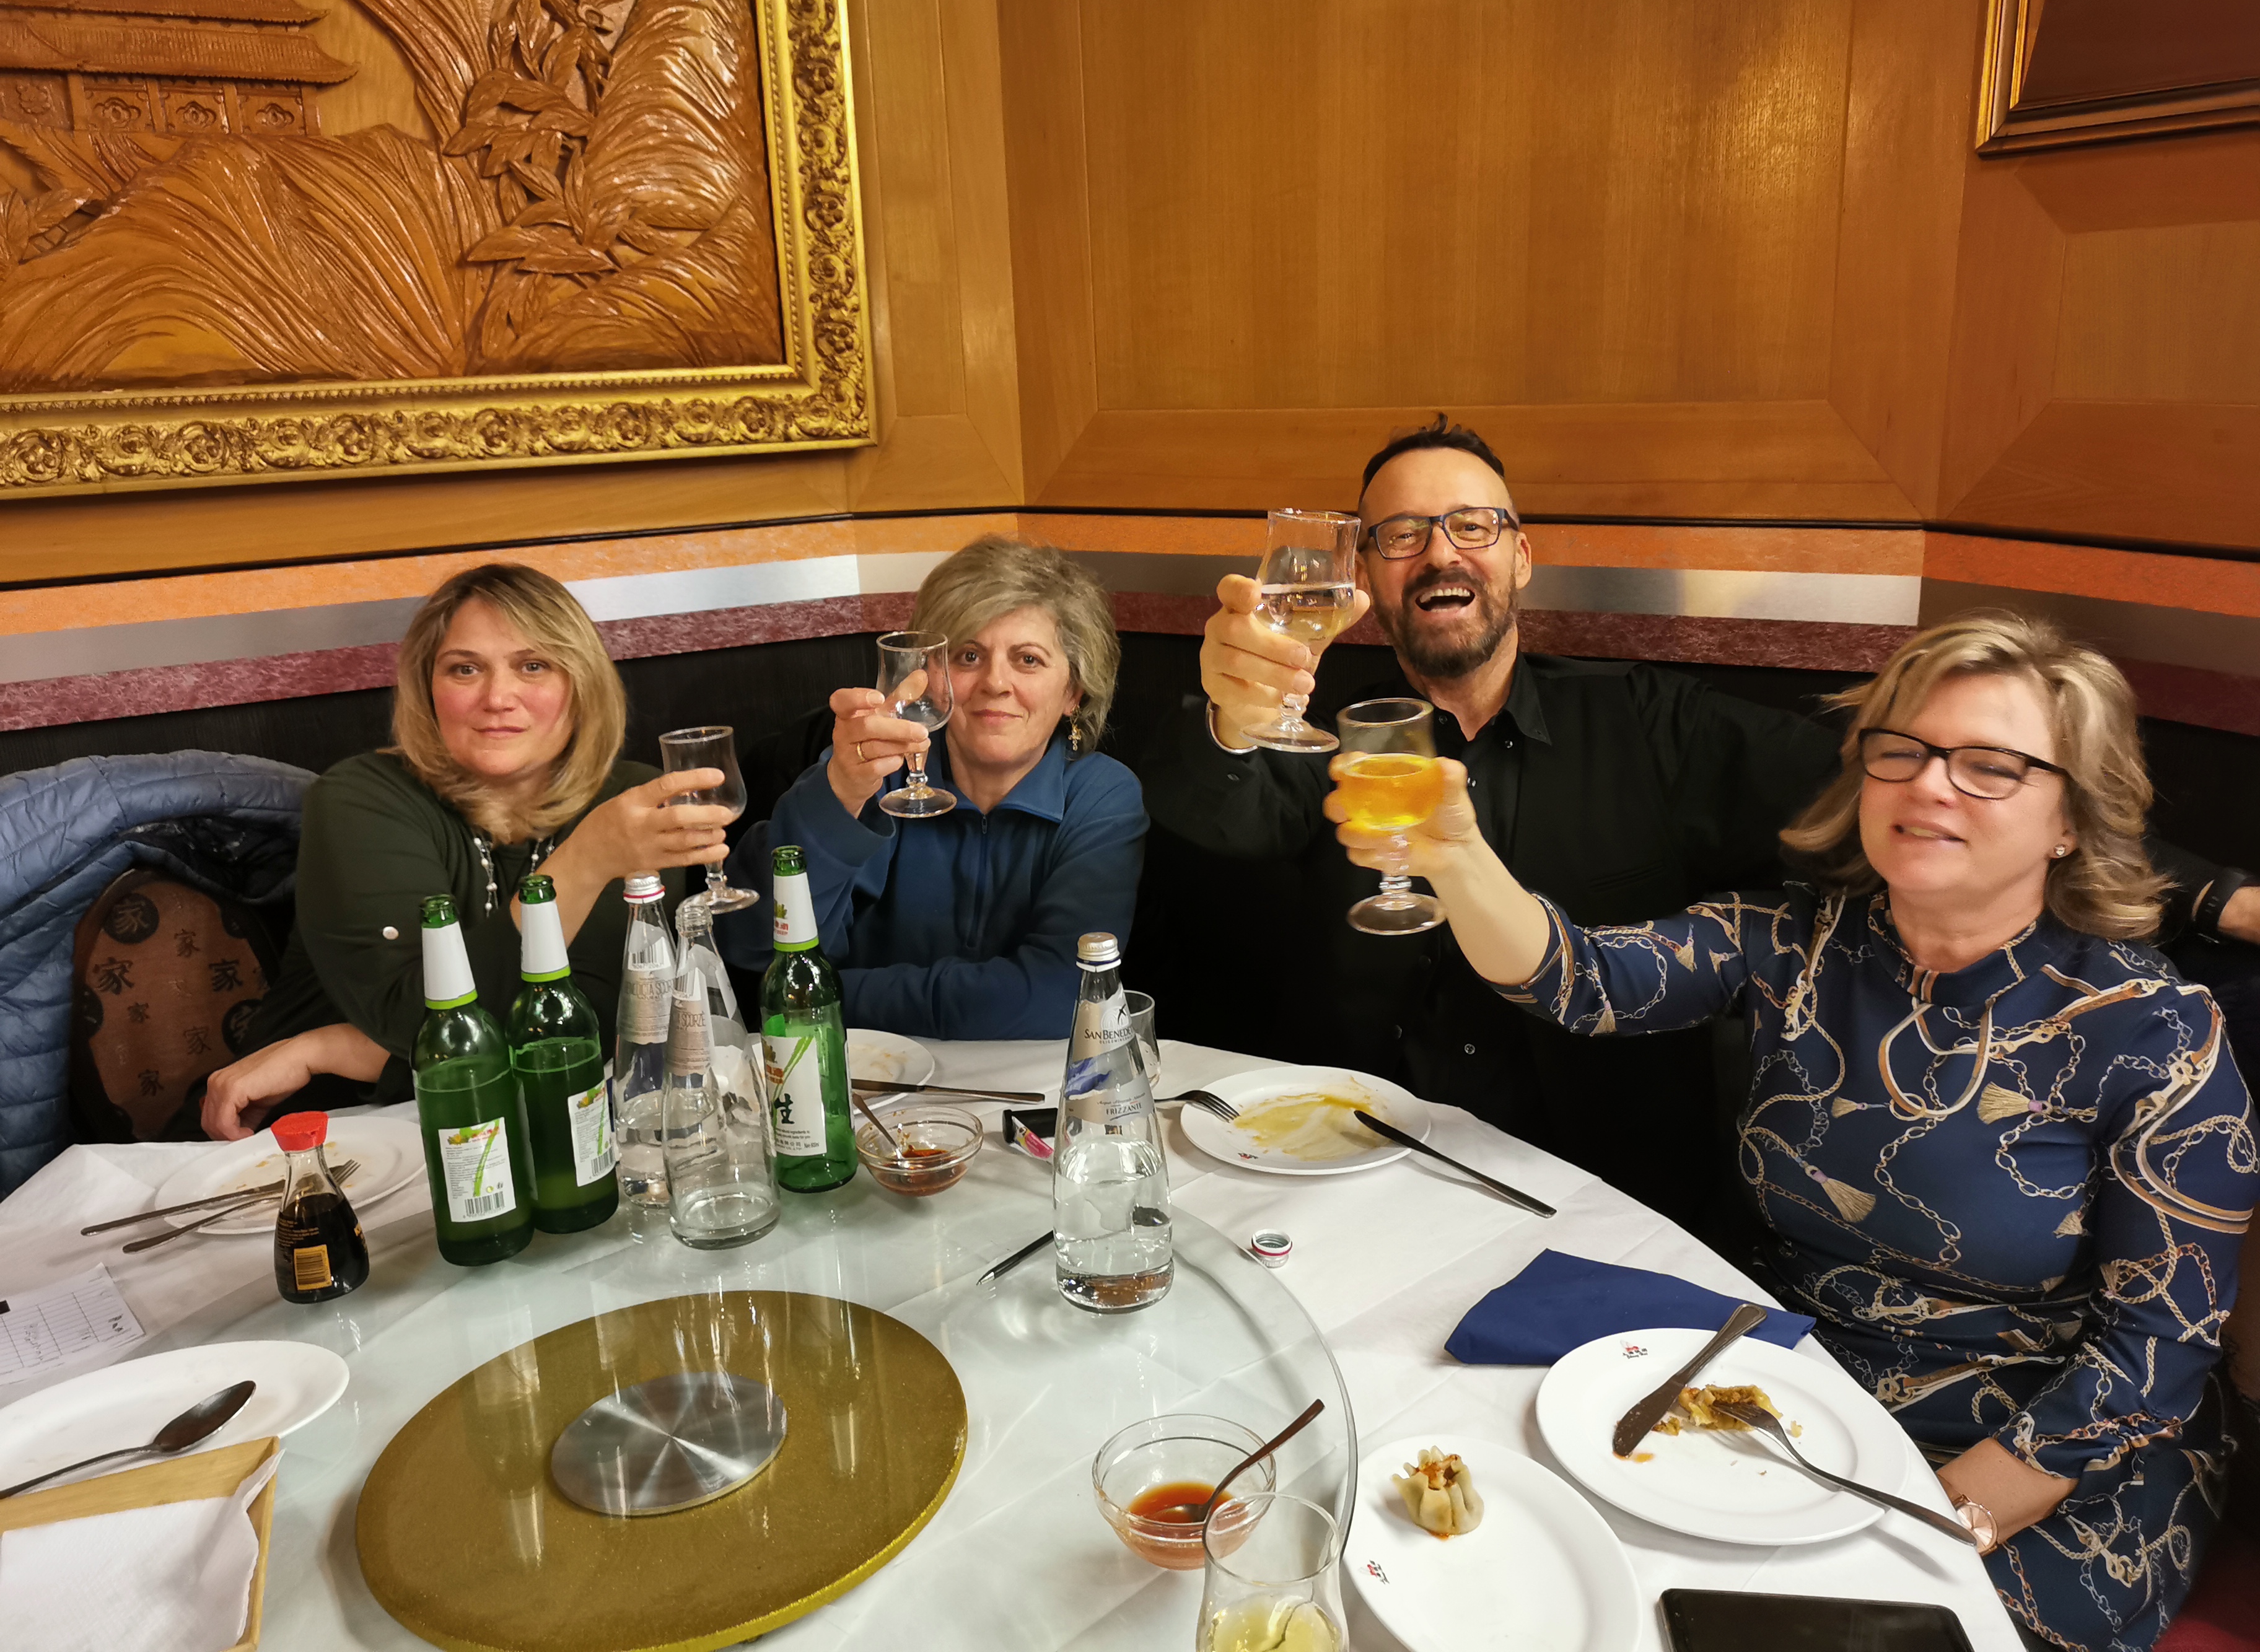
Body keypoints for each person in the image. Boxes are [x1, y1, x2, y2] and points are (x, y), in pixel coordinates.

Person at [1330, 611, 2256, 1652]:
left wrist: (1946, 1517)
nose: (1929, 784)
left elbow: (2158, 1345)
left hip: (2049, 1433)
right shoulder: (1795, 940)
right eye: (1902, 750)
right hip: (1793, 1382)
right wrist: (1456, 855)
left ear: (2070, 820)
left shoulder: (2152, 1030)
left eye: (1990, 766)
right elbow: (1581, 981)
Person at [1140, 414, 2259, 1230]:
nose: (1440, 552)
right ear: (1367, 578)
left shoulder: (1654, 724)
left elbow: (1926, 793)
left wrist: (2215, 895)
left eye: (1471, 525)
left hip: (1593, 1190)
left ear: (1521, 555)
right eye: (1400, 534)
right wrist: (1231, 718)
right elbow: (1216, 816)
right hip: (1350, 1162)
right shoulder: (1332, 729)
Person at [202, 564, 732, 1138]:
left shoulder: (631, 802)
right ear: (428, 688)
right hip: (323, 1137)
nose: (497, 698)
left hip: (537, 1131)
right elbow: (414, 1019)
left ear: (582, 686)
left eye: (533, 666)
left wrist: (329, 1048)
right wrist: (589, 859)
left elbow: (596, 1029)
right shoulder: (360, 798)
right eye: (465, 669)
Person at [717, 534, 1145, 1039]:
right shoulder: (875, 770)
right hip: (864, 1073)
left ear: (1073, 691)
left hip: (1030, 1079)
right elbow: (755, 948)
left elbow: (1062, 995)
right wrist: (839, 794)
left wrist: (831, 996)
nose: (995, 683)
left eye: (1028, 660)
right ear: (929, 678)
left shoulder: (1103, 797)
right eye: (968, 656)